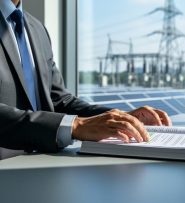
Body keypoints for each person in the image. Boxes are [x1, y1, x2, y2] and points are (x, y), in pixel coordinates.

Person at [0, 0, 171, 157]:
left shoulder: (37, 29)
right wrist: (75, 126)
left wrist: (119, 119)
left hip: (40, 165)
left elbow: (60, 101)